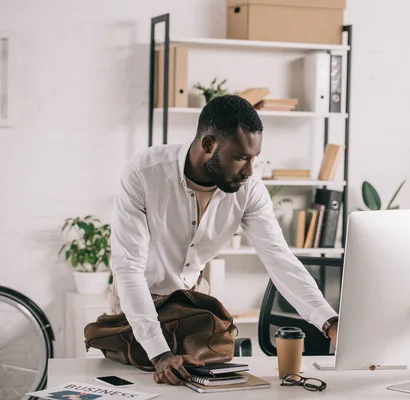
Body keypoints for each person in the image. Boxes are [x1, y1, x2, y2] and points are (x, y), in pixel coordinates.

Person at [108, 95, 339, 386]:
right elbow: (128, 269)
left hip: (191, 296)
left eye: (255, 158)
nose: (250, 171)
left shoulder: (249, 187)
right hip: (136, 296)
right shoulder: (143, 173)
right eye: (241, 157)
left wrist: (330, 323)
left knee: (194, 387)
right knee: (141, 386)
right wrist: (159, 354)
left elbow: (279, 259)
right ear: (208, 145)